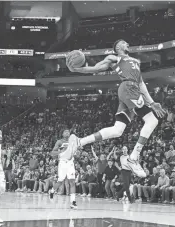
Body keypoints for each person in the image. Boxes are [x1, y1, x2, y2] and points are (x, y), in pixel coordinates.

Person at [66, 40, 165, 178]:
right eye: (125, 43)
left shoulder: (135, 62)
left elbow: (141, 84)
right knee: (152, 121)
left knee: (118, 130)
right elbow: (95, 68)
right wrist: (77, 69)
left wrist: (152, 103)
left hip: (132, 89)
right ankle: (134, 157)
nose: (128, 44)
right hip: (128, 88)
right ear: (118, 47)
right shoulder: (114, 58)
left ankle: (80, 141)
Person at [50, 129, 78, 209]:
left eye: (68, 131)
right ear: (62, 134)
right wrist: (61, 152)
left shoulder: (72, 142)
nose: (67, 132)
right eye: (65, 131)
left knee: (72, 181)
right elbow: (52, 153)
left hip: (70, 163)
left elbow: (75, 153)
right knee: (60, 181)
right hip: (62, 162)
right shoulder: (59, 142)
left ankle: (73, 202)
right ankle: (52, 191)